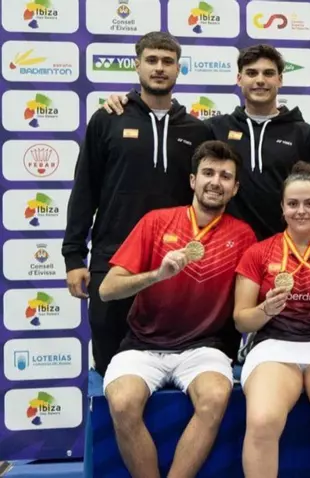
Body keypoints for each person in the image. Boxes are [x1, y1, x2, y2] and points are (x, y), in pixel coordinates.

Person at [98, 141, 256, 477]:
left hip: (204, 348)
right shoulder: (156, 222)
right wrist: (157, 275)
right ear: (192, 180)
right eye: (208, 173)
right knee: (122, 402)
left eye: (225, 176)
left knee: (215, 397)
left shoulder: (244, 236)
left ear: (235, 188)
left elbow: (248, 303)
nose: (216, 182)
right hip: (142, 346)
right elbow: (107, 290)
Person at [63, 31, 212, 376]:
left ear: (178, 69)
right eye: (151, 60)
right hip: (113, 259)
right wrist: (73, 256)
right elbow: (85, 189)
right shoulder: (108, 119)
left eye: (168, 61)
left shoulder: (198, 130)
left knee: (174, 368)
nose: (159, 68)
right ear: (137, 65)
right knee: (110, 368)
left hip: (175, 263)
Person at [100, 44, 310, 243]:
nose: (260, 80)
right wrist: (130, 104)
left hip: (286, 248)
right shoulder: (213, 129)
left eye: (268, 73)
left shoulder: (302, 133)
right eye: (251, 73)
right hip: (224, 246)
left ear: (280, 80)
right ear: (239, 79)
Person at [234, 162, 310, 478]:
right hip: (273, 346)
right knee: (262, 421)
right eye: (293, 204)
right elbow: (241, 321)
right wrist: (266, 310)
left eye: (309, 203)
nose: (301, 211)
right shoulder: (258, 253)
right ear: (282, 208)